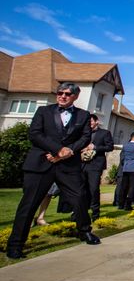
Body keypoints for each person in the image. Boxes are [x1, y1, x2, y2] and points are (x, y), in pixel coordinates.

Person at [6, 82, 100, 259]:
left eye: (67, 94)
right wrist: (58, 150)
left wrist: (68, 151)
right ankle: (16, 244)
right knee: (29, 203)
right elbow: (35, 134)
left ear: (75, 97)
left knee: (80, 198)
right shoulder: (44, 112)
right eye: (60, 93)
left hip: (67, 166)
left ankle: (84, 231)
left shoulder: (83, 115)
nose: (62, 96)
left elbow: (85, 137)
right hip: (42, 163)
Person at [80, 114, 114, 221]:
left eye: (91, 122)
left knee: (93, 189)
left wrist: (95, 147)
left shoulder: (105, 133)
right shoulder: (83, 133)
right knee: (81, 189)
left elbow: (110, 147)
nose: (89, 124)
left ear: (96, 122)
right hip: (82, 164)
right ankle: (80, 212)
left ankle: (95, 212)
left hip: (95, 164)